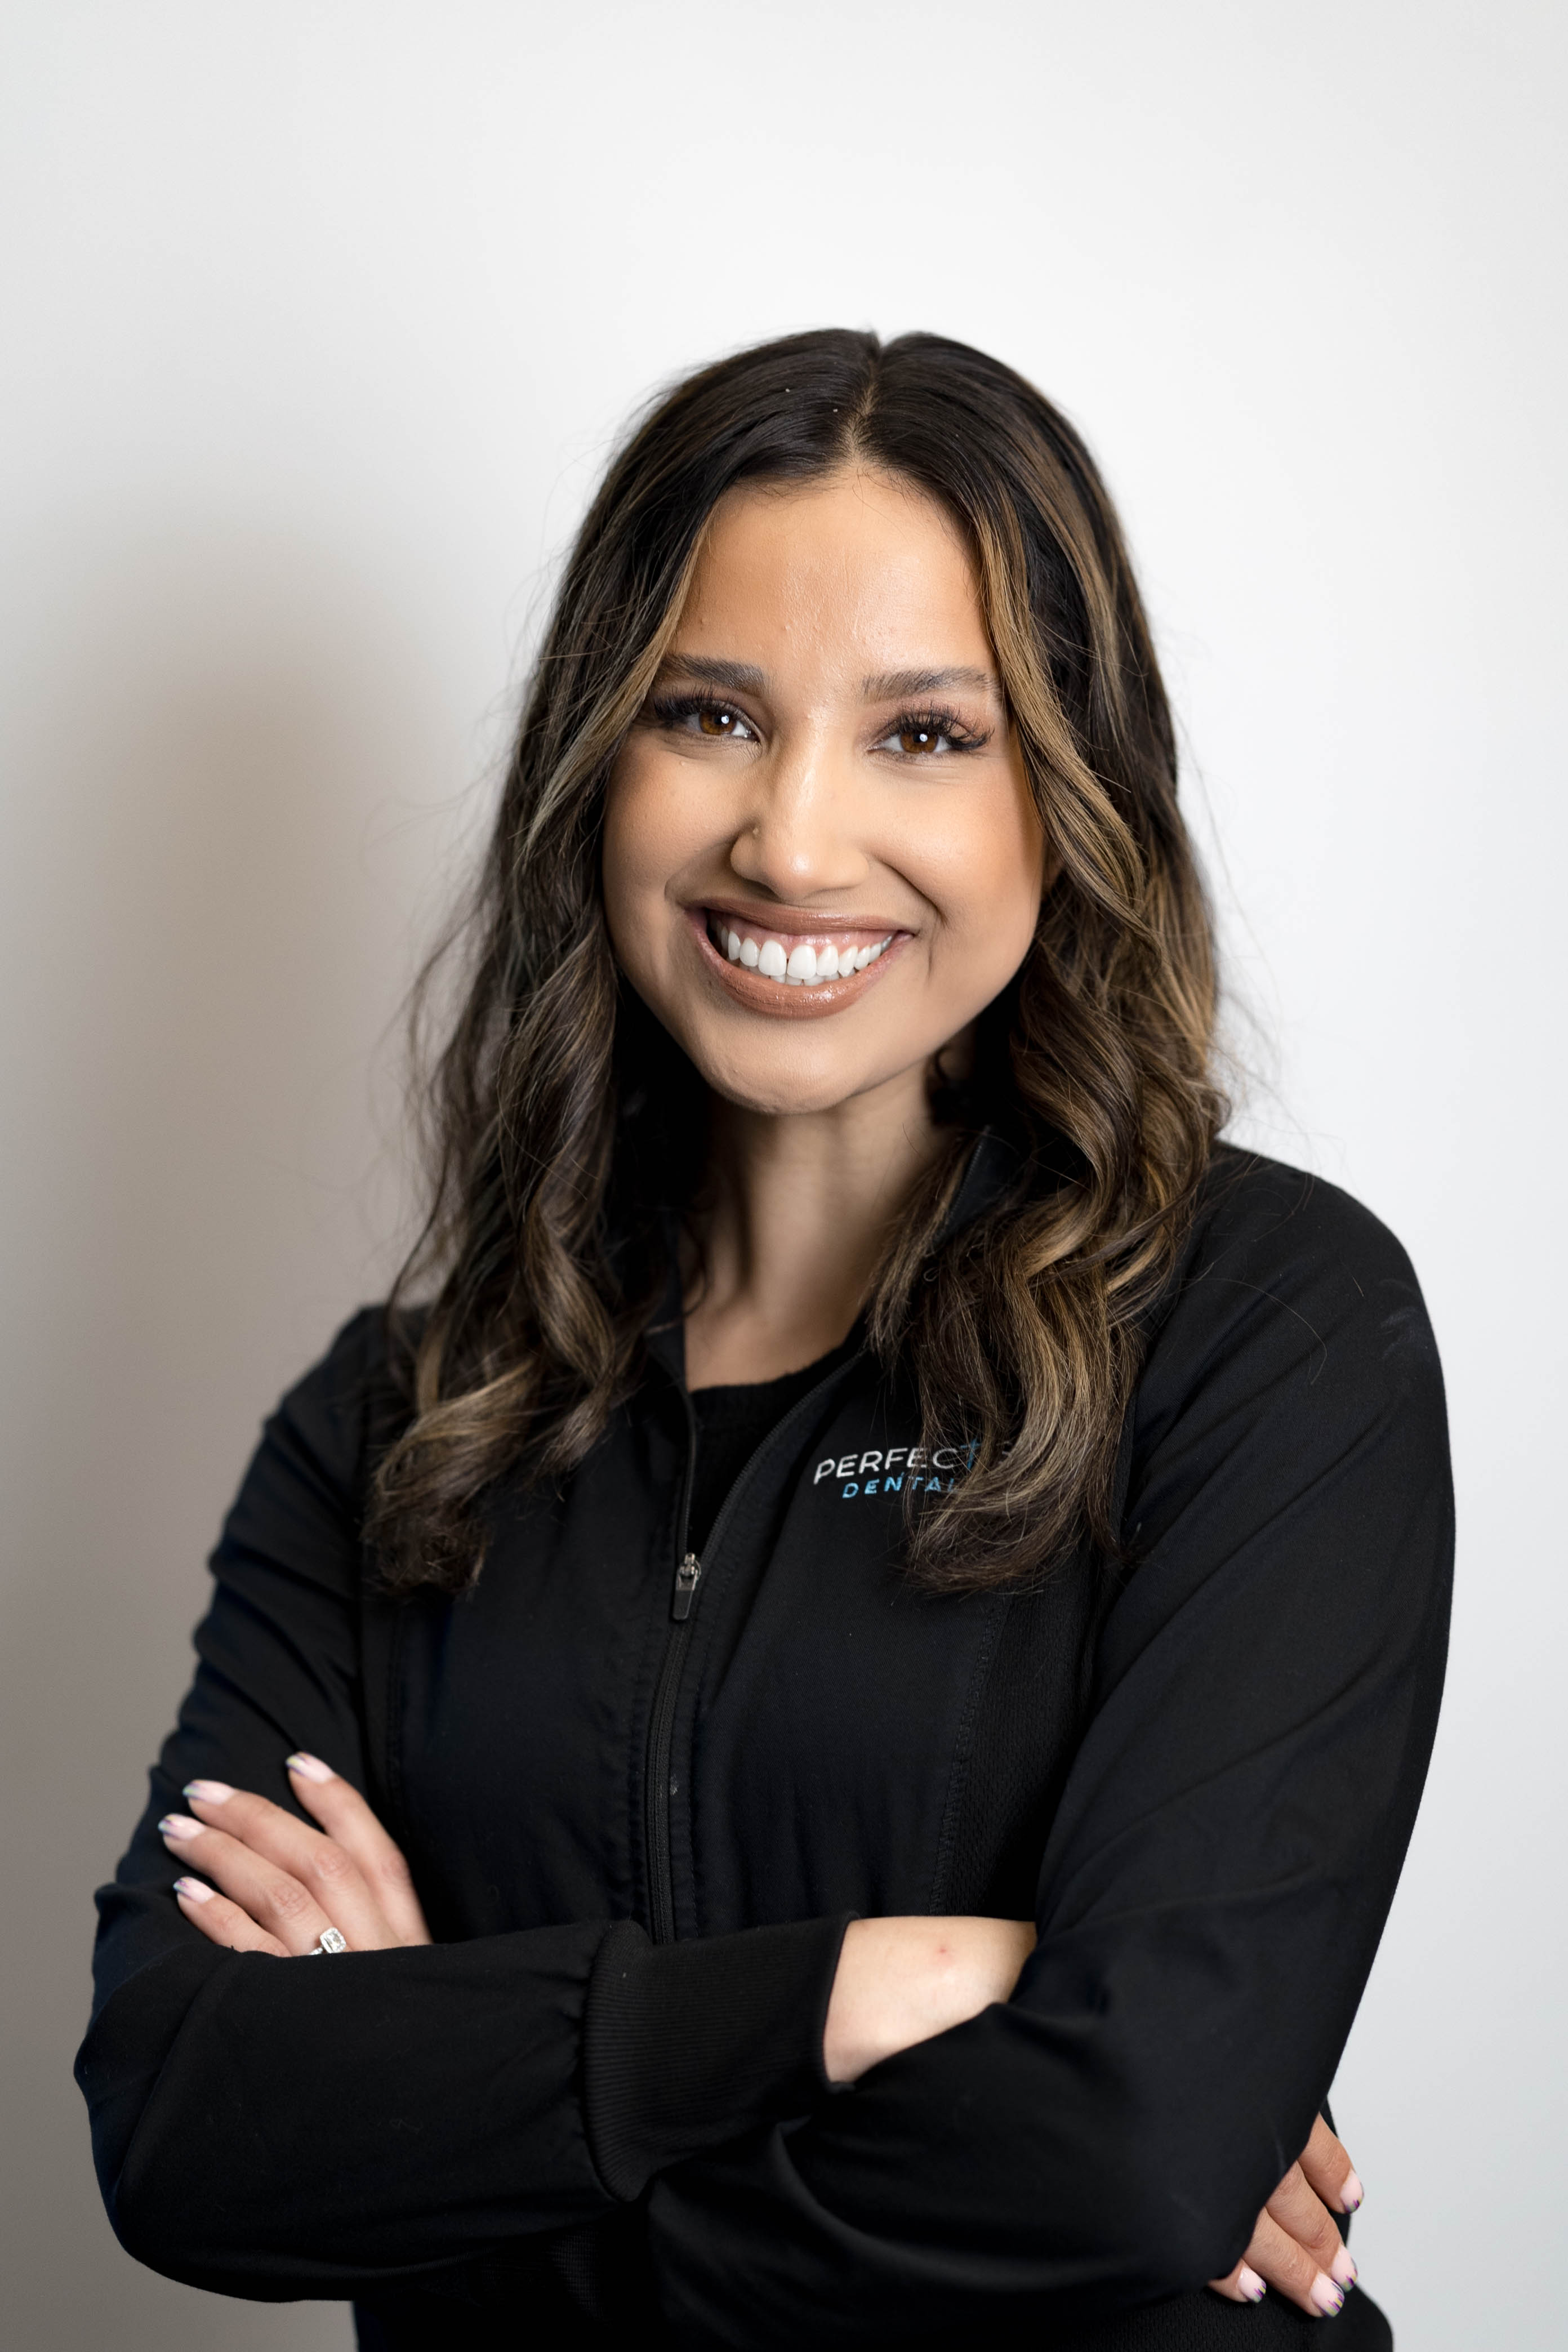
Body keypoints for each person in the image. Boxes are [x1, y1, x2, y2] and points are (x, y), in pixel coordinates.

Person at [75, 330, 1451, 2350]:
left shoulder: (1268, 1332)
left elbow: (1133, 2153)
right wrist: (871, 1988)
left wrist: (453, 2125)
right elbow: (183, 2123)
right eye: (710, 712)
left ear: (1066, 799)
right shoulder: (396, 1426)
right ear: (597, 762)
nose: (794, 842)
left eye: (926, 734)